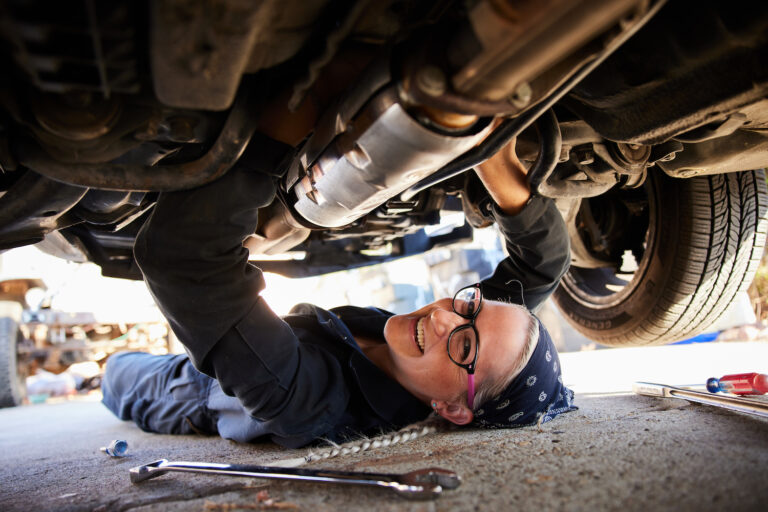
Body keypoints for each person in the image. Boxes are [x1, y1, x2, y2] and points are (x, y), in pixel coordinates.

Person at [102, 134, 576, 448]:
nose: (443, 316)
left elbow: (182, 258)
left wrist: (270, 136)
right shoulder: (435, 348)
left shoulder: (311, 402)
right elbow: (543, 264)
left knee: (118, 375)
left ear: (451, 409)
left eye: (465, 343)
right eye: (470, 310)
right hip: (244, 344)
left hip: (196, 390)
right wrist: (493, 155)